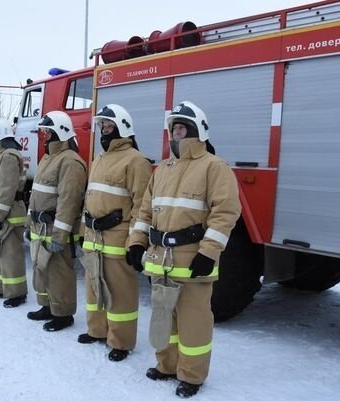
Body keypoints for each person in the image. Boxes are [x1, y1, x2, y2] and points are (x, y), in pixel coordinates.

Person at [128, 101, 241, 398]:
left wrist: (209, 252)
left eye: (181, 127)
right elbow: (144, 211)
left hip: (193, 262)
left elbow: (225, 212)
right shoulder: (162, 169)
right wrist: (136, 242)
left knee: (194, 323)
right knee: (165, 317)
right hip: (161, 260)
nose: (175, 133)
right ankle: (166, 365)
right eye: (173, 128)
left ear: (197, 130)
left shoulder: (214, 168)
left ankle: (192, 375)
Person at [78, 104, 152, 361]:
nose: (104, 130)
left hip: (117, 237)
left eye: (108, 126)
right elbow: (90, 198)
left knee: (120, 292)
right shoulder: (99, 158)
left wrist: (136, 242)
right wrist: (82, 229)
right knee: (93, 287)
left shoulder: (136, 161)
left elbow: (142, 205)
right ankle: (96, 329)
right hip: (93, 236)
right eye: (102, 126)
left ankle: (121, 341)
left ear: (122, 128)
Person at [27, 111, 86, 331]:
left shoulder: (70, 161)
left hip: (55, 226)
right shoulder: (48, 157)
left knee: (60, 271)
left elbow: (68, 201)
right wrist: (28, 222)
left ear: (59, 132)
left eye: (47, 131)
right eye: (43, 131)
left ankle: (63, 314)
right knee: (42, 268)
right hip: (40, 224)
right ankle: (47, 306)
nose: (44, 135)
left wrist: (60, 235)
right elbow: (36, 193)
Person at [0, 118, 28, 307]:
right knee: (2, 253)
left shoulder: (8, 157)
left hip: (10, 213)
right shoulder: (5, 155)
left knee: (11, 255)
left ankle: (16, 293)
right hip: (6, 211)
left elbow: (6, 190)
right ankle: (5, 288)